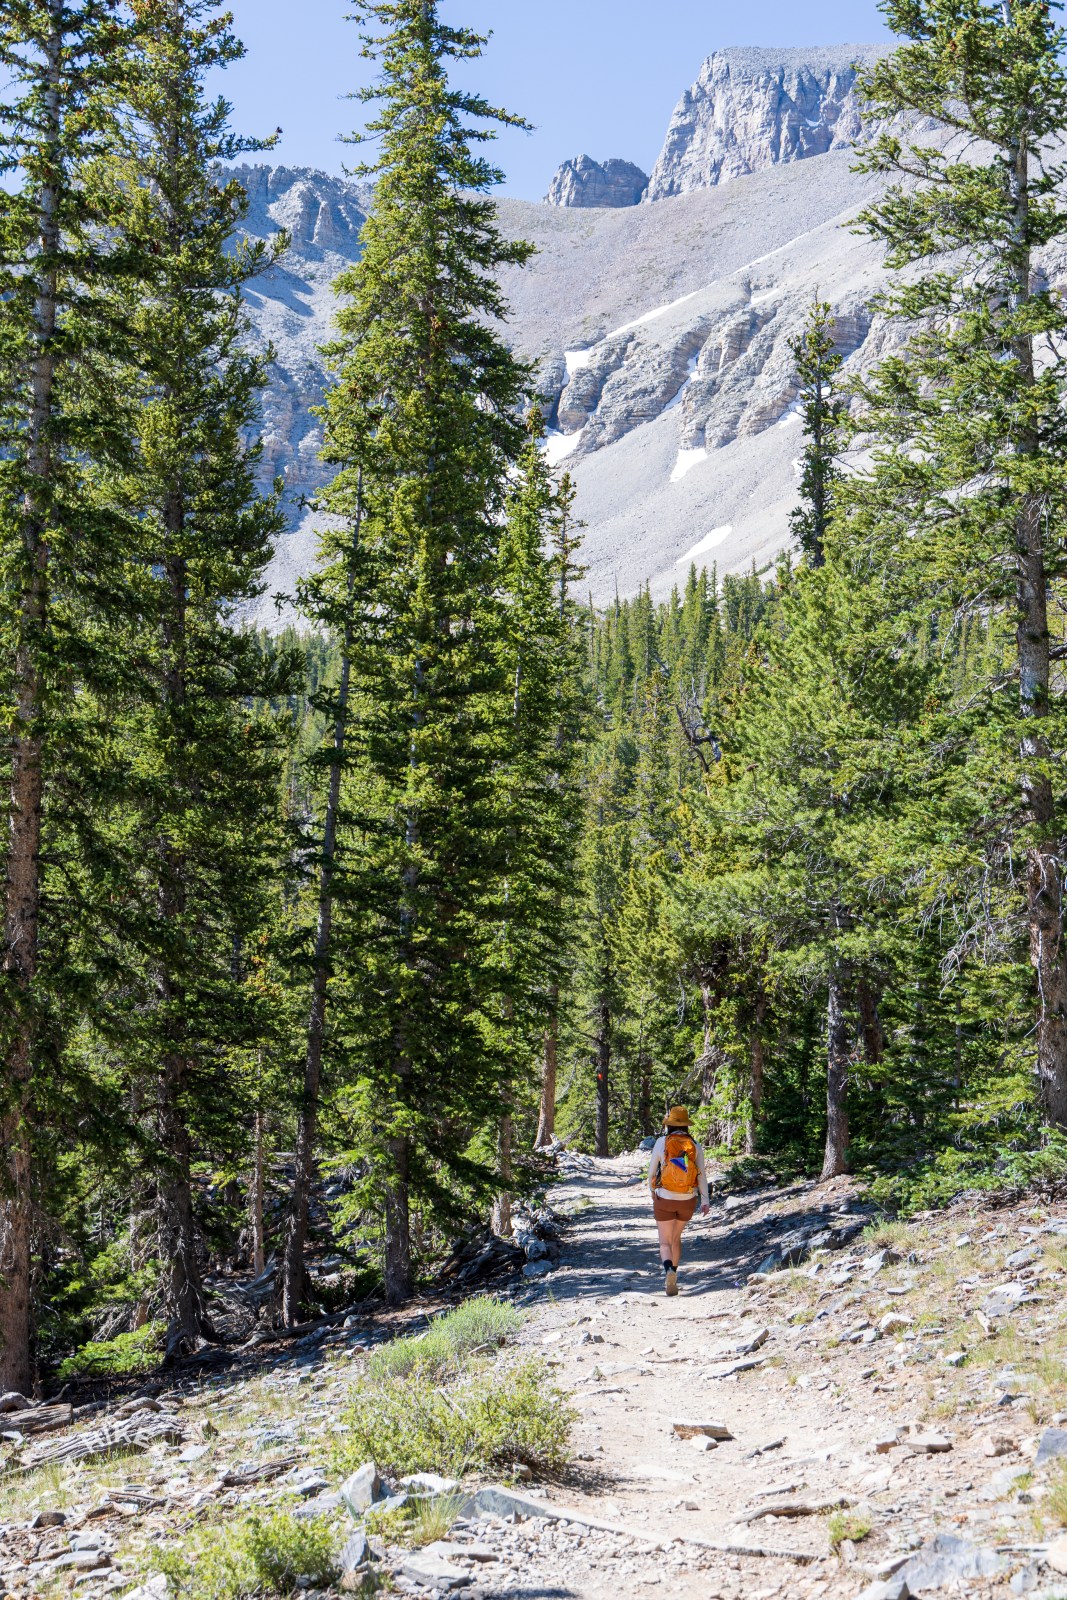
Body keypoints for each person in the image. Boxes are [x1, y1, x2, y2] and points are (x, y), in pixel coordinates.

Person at [647, 1106, 710, 1296]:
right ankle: (675, 1271)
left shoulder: (662, 1142)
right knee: (676, 1238)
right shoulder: (695, 1145)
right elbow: (702, 1176)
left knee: (664, 1242)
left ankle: (669, 1271)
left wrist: (653, 1192)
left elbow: (651, 1173)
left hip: (664, 1197)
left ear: (669, 1125)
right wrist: (705, 1200)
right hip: (688, 1200)